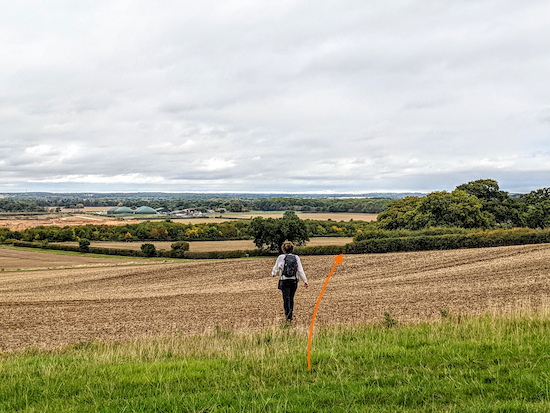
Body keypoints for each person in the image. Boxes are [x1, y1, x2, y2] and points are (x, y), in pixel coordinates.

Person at [272, 240, 308, 322]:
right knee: (291, 298)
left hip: (284, 281)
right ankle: (290, 314)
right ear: (292, 249)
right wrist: (305, 280)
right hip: (294, 281)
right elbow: (300, 270)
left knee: (286, 298)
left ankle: (288, 317)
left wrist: (273, 273)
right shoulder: (296, 257)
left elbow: (276, 267)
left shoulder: (281, 257)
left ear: (283, 249)